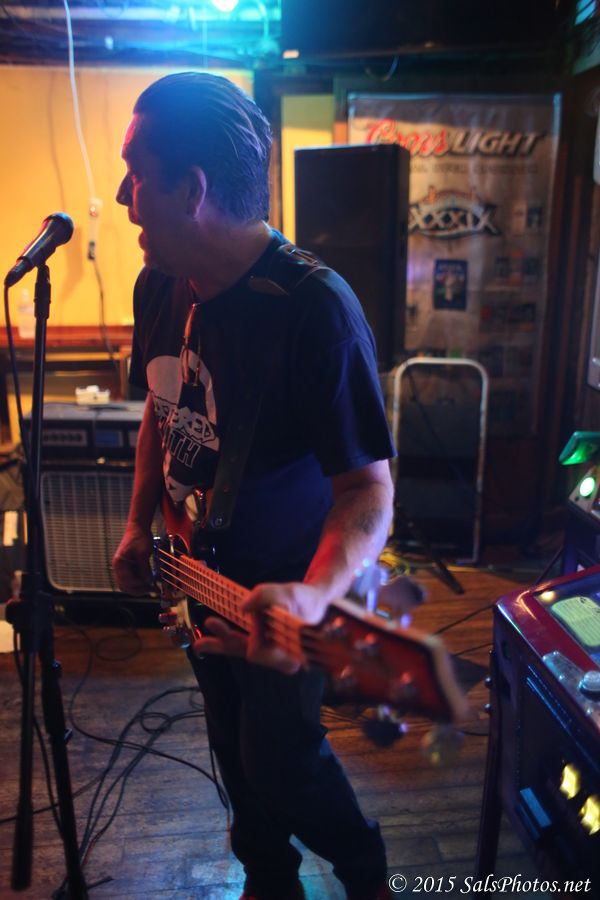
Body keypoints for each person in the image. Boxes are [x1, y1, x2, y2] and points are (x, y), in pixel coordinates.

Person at [112, 71, 396, 900]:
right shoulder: (159, 282)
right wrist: (137, 522)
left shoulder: (316, 309)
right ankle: (270, 884)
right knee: (235, 757)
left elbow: (369, 493)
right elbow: (162, 406)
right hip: (198, 576)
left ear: (192, 190)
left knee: (282, 763)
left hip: (283, 597)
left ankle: (367, 873)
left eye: (137, 175)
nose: (124, 199)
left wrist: (313, 597)